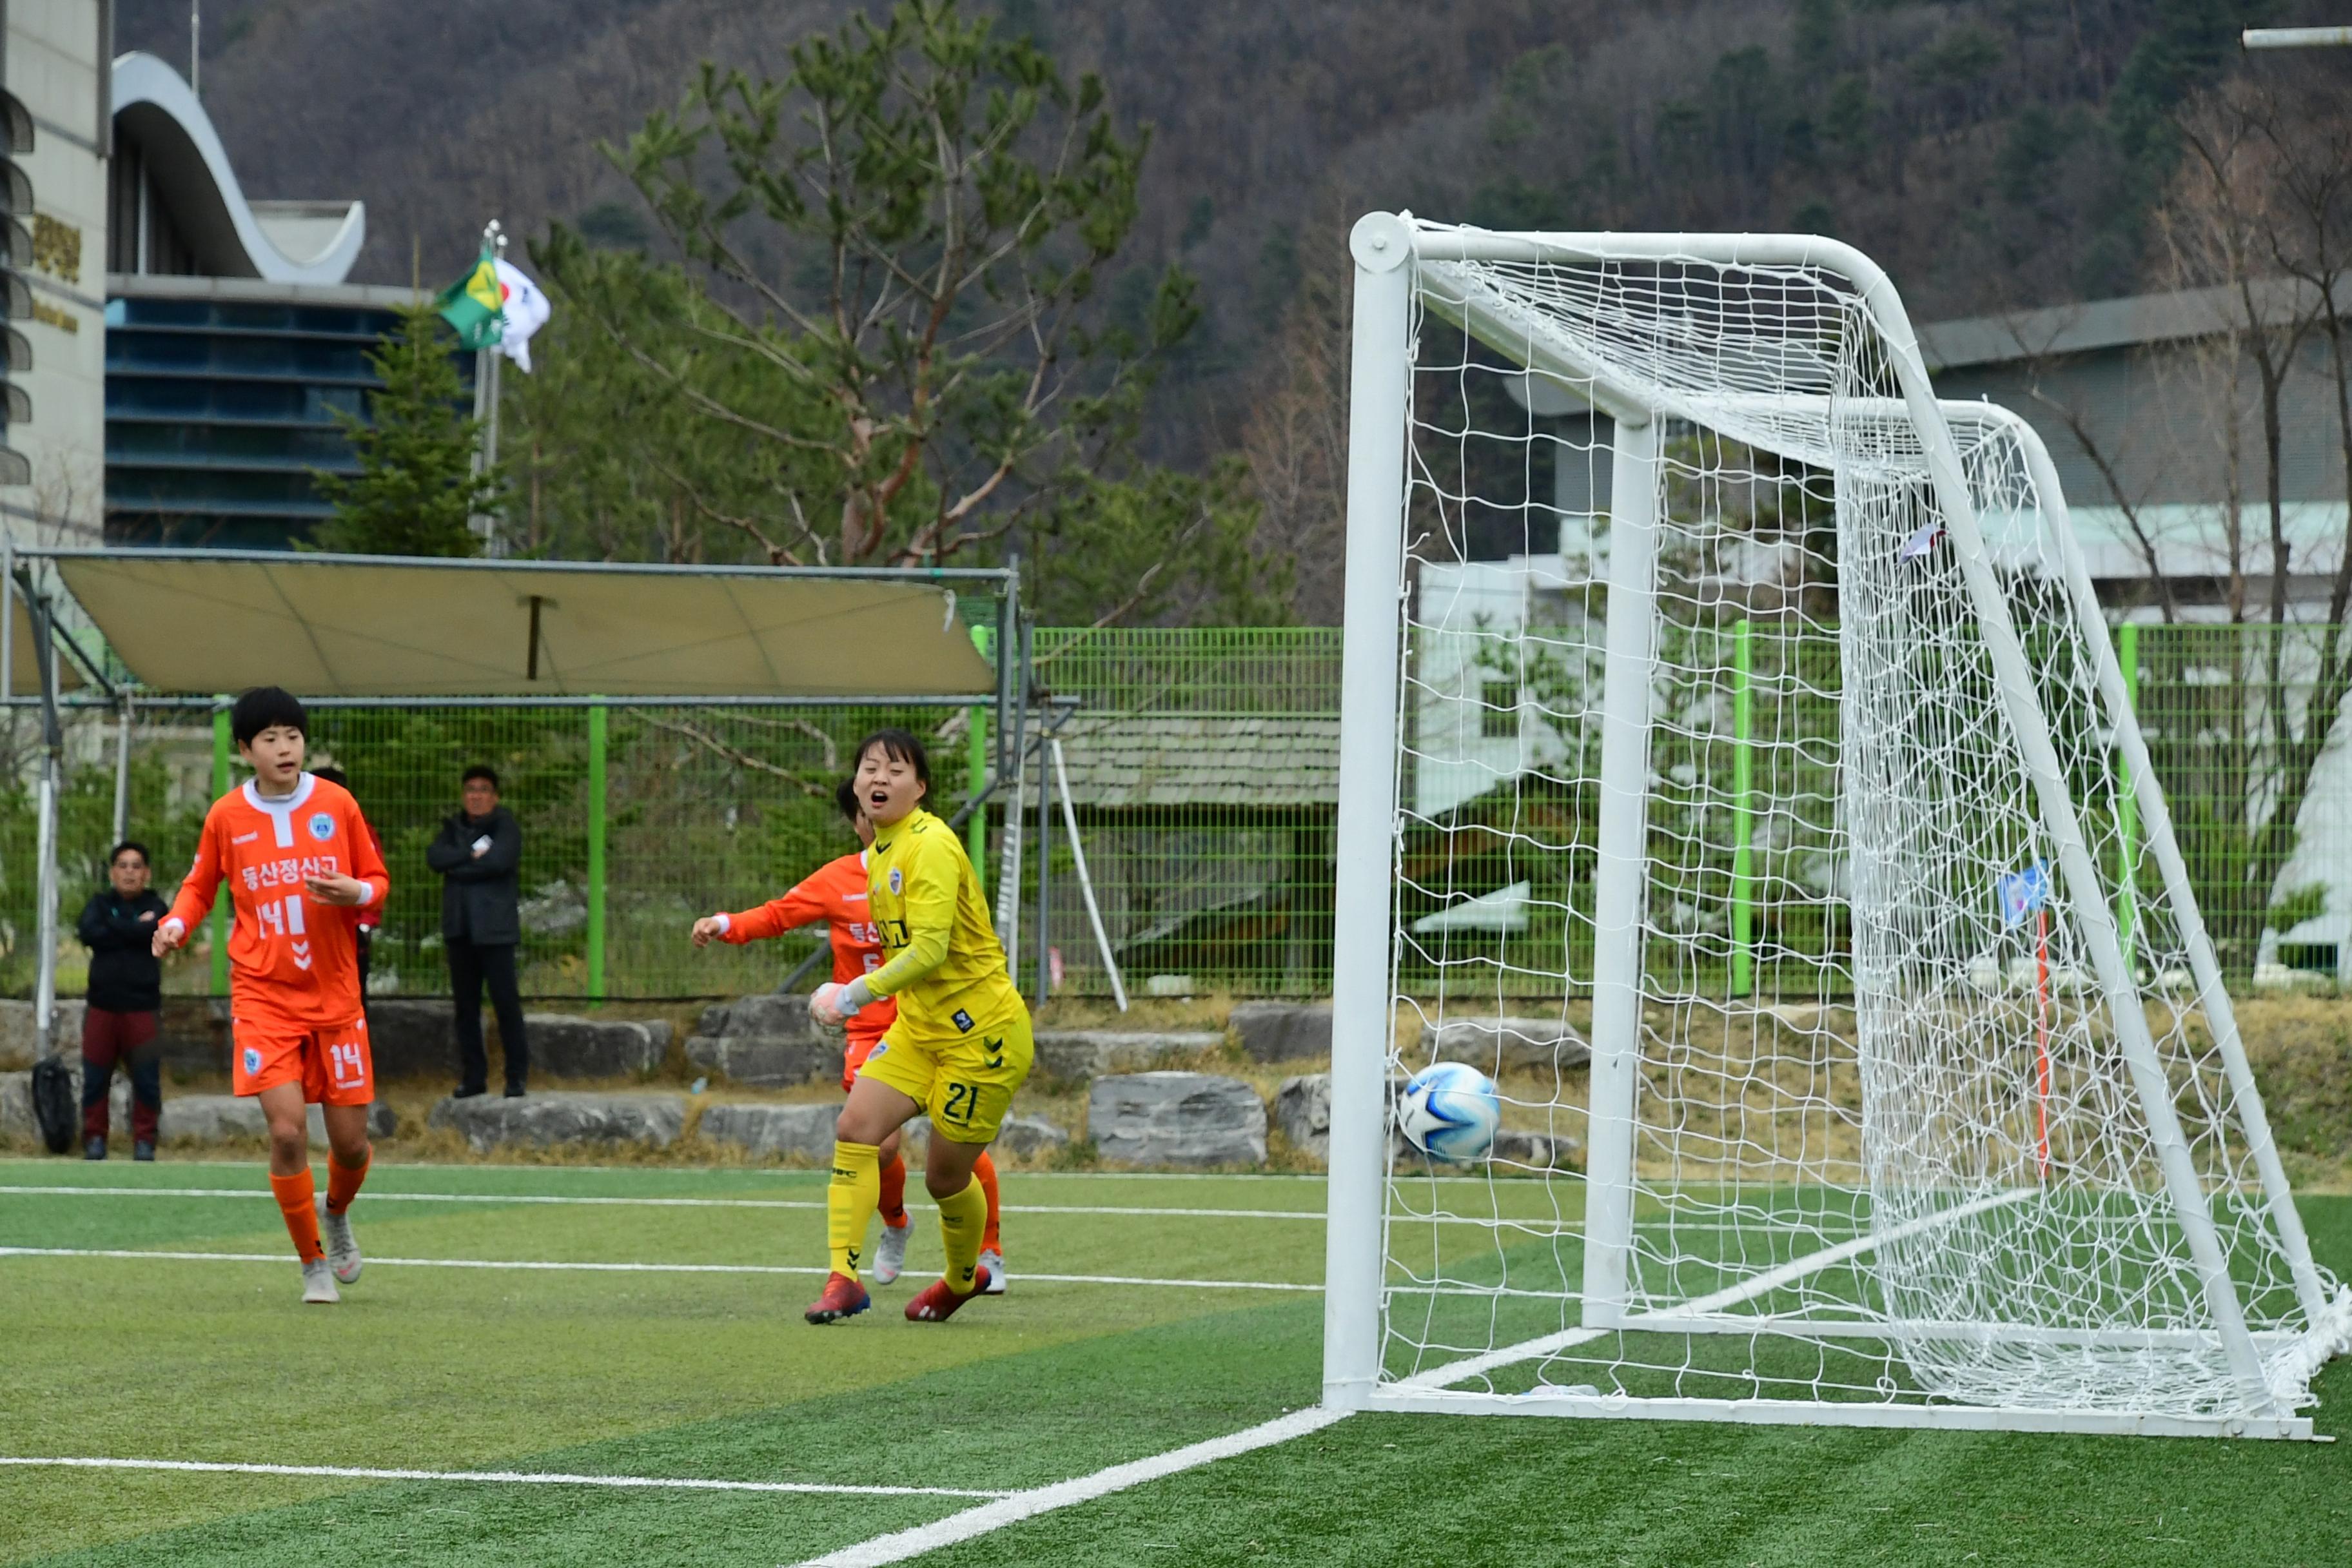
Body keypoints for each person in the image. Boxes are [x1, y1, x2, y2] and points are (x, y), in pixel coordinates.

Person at [692, 779, 1006, 1292]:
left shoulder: (926, 862)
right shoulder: (840, 878)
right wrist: (725, 923)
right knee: (875, 1147)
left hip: (934, 1024)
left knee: (958, 1147)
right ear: (858, 818)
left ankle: (989, 1254)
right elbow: (779, 914)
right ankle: (897, 1225)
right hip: (869, 1029)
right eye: (865, 802)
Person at [153, 687, 387, 1305]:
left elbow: (378, 883)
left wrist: (355, 894)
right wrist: (176, 924)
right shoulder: (227, 816)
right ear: (245, 750)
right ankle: (312, 1262)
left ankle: (335, 1214)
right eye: (269, 739)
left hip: (335, 995)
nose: (284, 748)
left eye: (292, 736)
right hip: (263, 997)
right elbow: (200, 887)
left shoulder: (336, 804)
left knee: (352, 1144)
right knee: (286, 1134)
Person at [801, 728, 1034, 1326]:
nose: (880, 778)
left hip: (981, 1036)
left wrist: (850, 995)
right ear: (857, 785)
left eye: (896, 770)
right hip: (919, 1029)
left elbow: (928, 950)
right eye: (870, 768)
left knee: (945, 1177)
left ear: (921, 788)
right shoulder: (879, 852)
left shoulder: (929, 845)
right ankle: (843, 1280)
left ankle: (964, 1278)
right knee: (856, 1129)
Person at [425, 765, 527, 1098]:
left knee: (506, 1005)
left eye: (483, 789)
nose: (476, 795)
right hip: (460, 931)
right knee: (466, 1009)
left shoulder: (506, 826)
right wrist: (469, 855)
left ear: (494, 796)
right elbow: (436, 858)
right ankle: (474, 1077)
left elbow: (499, 862)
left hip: (495, 933)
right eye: (471, 789)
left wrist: (460, 869)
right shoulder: (453, 828)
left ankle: (516, 1076)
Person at [75, 841, 170, 1161]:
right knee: (95, 1079)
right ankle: (94, 1140)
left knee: (146, 1080)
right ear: (113, 872)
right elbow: (90, 933)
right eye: (123, 866)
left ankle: (145, 1141)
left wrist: (118, 930)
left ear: (147, 873)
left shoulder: (157, 905)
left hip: (143, 1009)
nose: (130, 872)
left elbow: (156, 931)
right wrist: (135, 929)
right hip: (102, 1008)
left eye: (136, 866)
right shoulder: (98, 904)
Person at [306, 767, 380, 1010]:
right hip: (302, 939)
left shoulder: (359, 829)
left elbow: (374, 879)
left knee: (352, 1005)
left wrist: (365, 924)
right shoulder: (293, 828)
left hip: (348, 938)